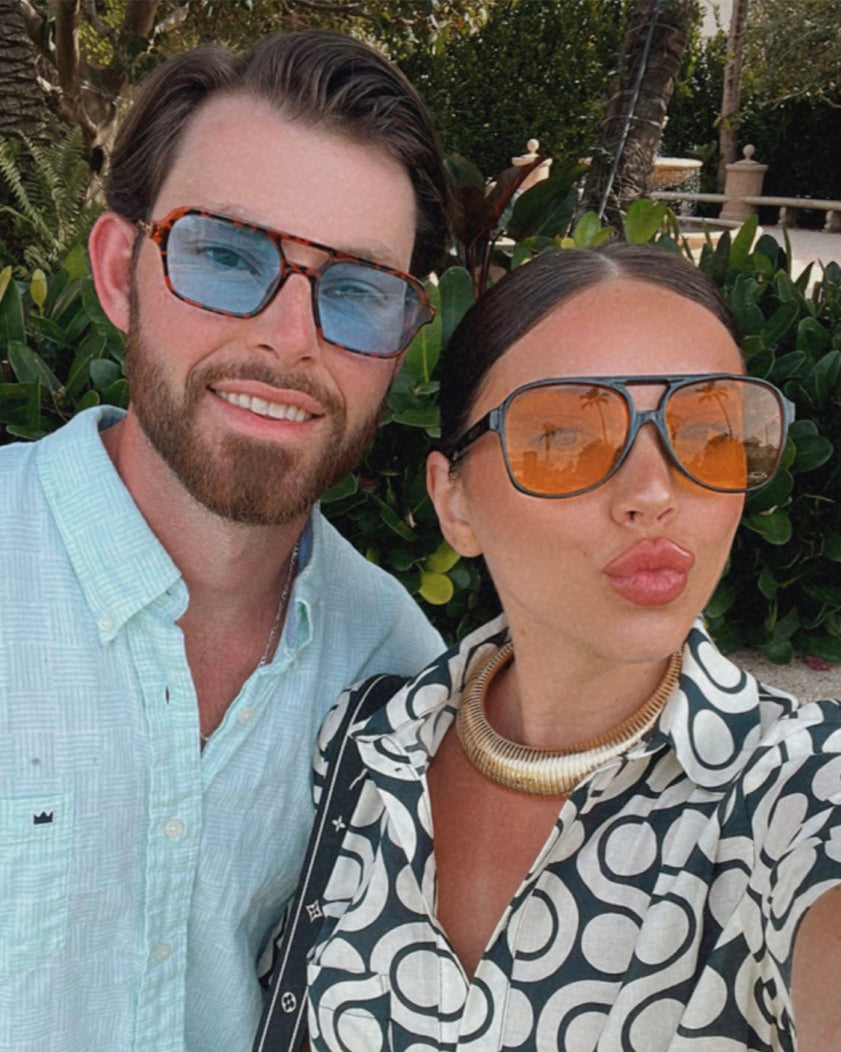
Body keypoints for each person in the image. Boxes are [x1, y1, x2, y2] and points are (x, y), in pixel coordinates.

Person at [0, 30, 449, 1052]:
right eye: (227, 255)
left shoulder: (394, 666)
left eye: (355, 289)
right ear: (119, 273)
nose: (290, 337)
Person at [273, 243, 841, 1050]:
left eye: (709, 434)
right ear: (453, 502)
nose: (654, 493)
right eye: (565, 438)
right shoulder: (361, 749)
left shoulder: (794, 785)